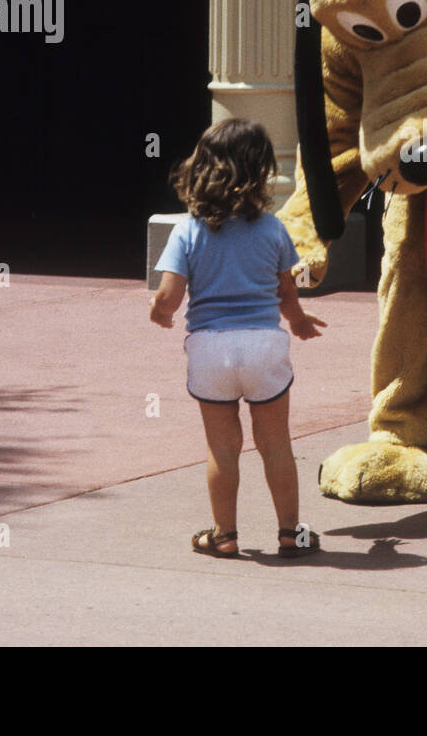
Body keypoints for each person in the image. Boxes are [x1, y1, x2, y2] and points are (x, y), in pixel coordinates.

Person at [149, 118, 325, 558]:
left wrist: (160, 313)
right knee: (276, 444)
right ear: (261, 173)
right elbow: (286, 292)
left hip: (211, 349)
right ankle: (290, 533)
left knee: (222, 447)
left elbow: (169, 297)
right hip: (264, 344)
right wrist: (299, 320)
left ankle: (223, 535)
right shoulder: (271, 230)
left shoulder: (187, 231)